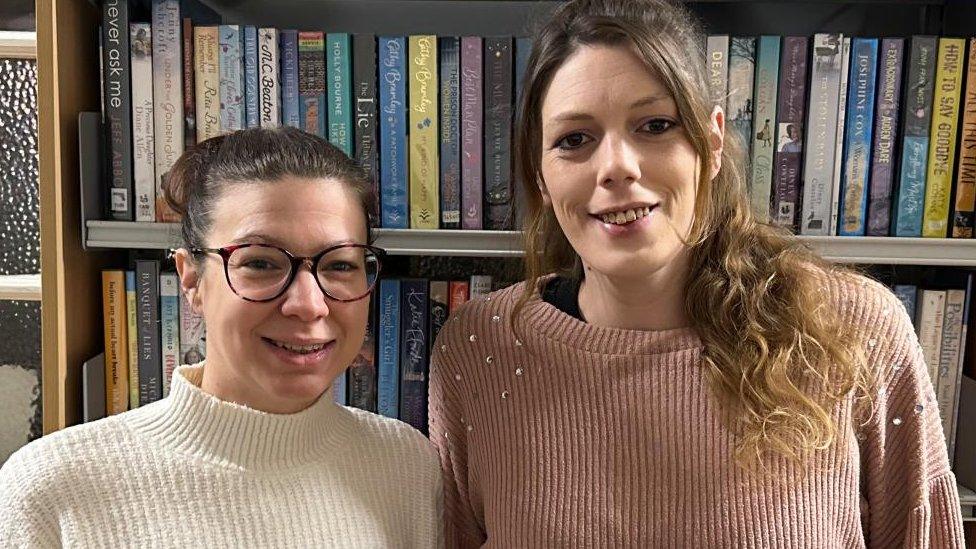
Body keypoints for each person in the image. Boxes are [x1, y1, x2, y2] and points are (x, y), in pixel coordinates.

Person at [428, 0, 964, 546]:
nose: (617, 167)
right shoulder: (477, 350)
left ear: (710, 144)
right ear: (540, 177)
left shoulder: (856, 331)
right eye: (574, 140)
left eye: (655, 125)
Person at [0, 127, 442, 547]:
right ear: (191, 279)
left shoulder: (407, 467)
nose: (308, 304)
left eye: (340, 265)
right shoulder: (54, 489)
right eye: (262, 263)